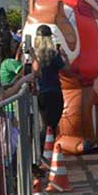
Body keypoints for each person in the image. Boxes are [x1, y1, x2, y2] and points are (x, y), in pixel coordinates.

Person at [31, 26, 67, 156]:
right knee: (52, 125)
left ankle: (42, 153)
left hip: (42, 93)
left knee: (45, 126)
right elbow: (66, 68)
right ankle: (47, 153)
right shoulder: (54, 55)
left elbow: (34, 73)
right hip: (55, 92)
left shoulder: (34, 56)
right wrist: (64, 56)